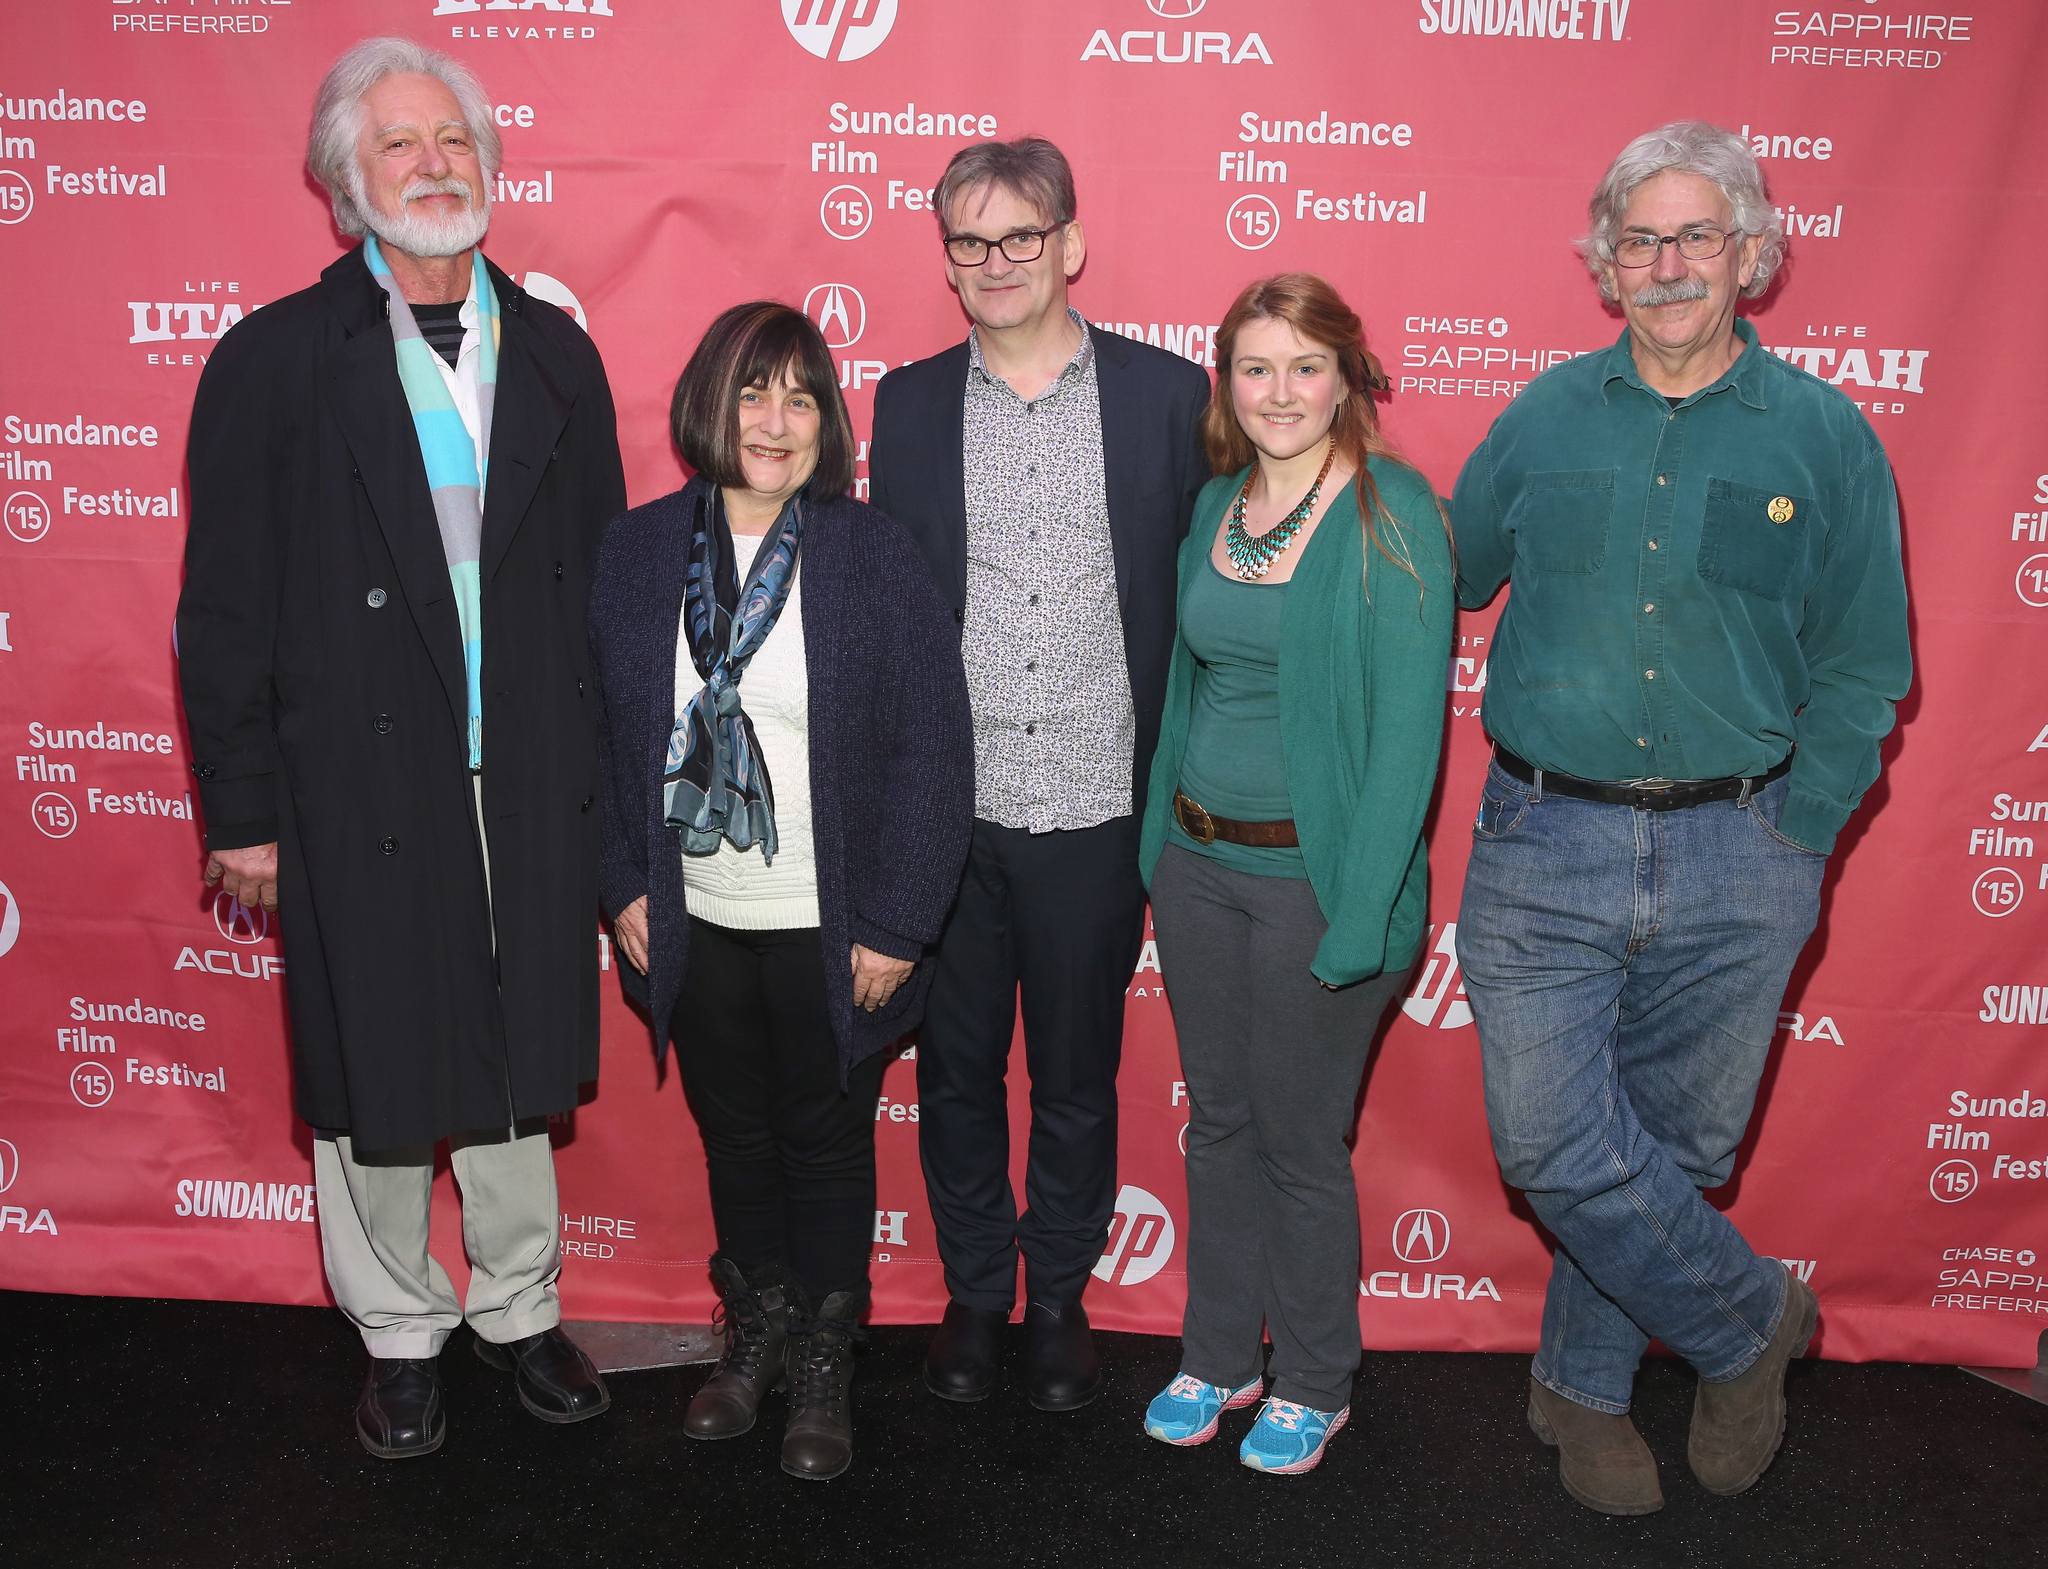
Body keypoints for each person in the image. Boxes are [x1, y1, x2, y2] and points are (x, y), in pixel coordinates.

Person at [1450, 121, 1910, 1515]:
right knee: (1551, 1143)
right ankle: (1748, 1321)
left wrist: (1801, 831)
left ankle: (1581, 1394)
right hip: (1545, 841)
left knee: (1673, 1148)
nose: (1665, 264)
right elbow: (1443, 571)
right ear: (1603, 260)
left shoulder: (1825, 436)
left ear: (1750, 255)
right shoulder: (1541, 416)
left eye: (1695, 235)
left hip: (1742, 846)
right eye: (1638, 238)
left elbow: (1866, 660)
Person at [177, 37, 625, 1460]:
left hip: (527, 772)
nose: (436, 165)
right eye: (401, 147)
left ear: (489, 162)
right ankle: (397, 1328)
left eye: (453, 141)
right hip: (354, 780)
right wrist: (241, 811)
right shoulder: (271, 359)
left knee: (511, 1033)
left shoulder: (556, 348)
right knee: (376, 1048)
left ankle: (518, 1303)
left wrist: (605, 792)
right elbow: (223, 606)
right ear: (342, 186)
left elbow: (605, 584)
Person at [590, 302, 973, 1480]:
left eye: (800, 398)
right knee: (736, 1140)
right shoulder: (638, 550)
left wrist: (900, 919)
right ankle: (751, 1335)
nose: (775, 419)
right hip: (692, 916)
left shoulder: (870, 555)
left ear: (827, 424)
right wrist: (619, 888)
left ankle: (823, 1356)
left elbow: (932, 749)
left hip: (828, 924)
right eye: (753, 393)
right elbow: (598, 741)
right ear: (710, 402)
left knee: (822, 1141)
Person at [868, 137, 1210, 1412]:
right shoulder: (902, 405)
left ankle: (1057, 1299)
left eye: (1021, 236)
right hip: (943, 819)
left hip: (1094, 808)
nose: (997, 262)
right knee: (951, 1076)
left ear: (1069, 242)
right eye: (970, 241)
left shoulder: (1169, 400)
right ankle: (971, 1294)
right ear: (947, 262)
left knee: (1072, 1073)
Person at [1135, 274, 1453, 1474]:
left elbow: (1407, 742)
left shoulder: (1393, 512)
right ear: (1227, 381)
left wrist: (1360, 913)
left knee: (1297, 1141)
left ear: (1346, 378)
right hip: (1197, 869)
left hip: (1320, 887)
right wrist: (1152, 860)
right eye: (1255, 366)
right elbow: (1188, 691)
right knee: (1216, 1123)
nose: (1279, 391)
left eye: (1303, 365)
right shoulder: (1217, 503)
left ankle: (1315, 1378)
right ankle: (1219, 1355)